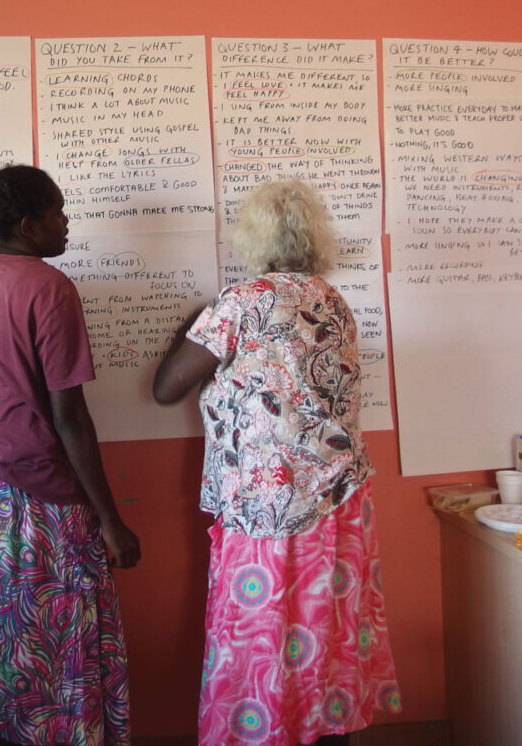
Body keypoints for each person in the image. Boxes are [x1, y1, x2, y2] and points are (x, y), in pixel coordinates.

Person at [152, 180, 401, 746]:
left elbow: (167, 389)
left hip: (269, 504)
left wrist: (192, 327)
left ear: (251, 238)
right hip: (337, 499)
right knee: (325, 627)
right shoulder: (329, 299)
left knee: (263, 636)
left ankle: (263, 731)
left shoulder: (242, 303)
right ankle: (324, 729)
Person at [0, 164, 141, 746]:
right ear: (27, 224)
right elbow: (70, 417)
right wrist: (110, 520)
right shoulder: (50, 289)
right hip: (38, 497)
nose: (66, 223)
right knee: (54, 645)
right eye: (58, 213)